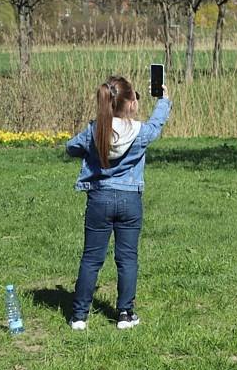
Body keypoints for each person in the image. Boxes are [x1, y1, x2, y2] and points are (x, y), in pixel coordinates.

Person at [66, 76, 171, 330]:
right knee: (127, 259)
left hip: (99, 199)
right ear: (132, 104)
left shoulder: (94, 131)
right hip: (130, 200)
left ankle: (79, 316)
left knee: (91, 259)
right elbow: (157, 124)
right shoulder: (141, 132)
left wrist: (91, 151)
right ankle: (125, 314)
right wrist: (164, 100)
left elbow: (71, 147)